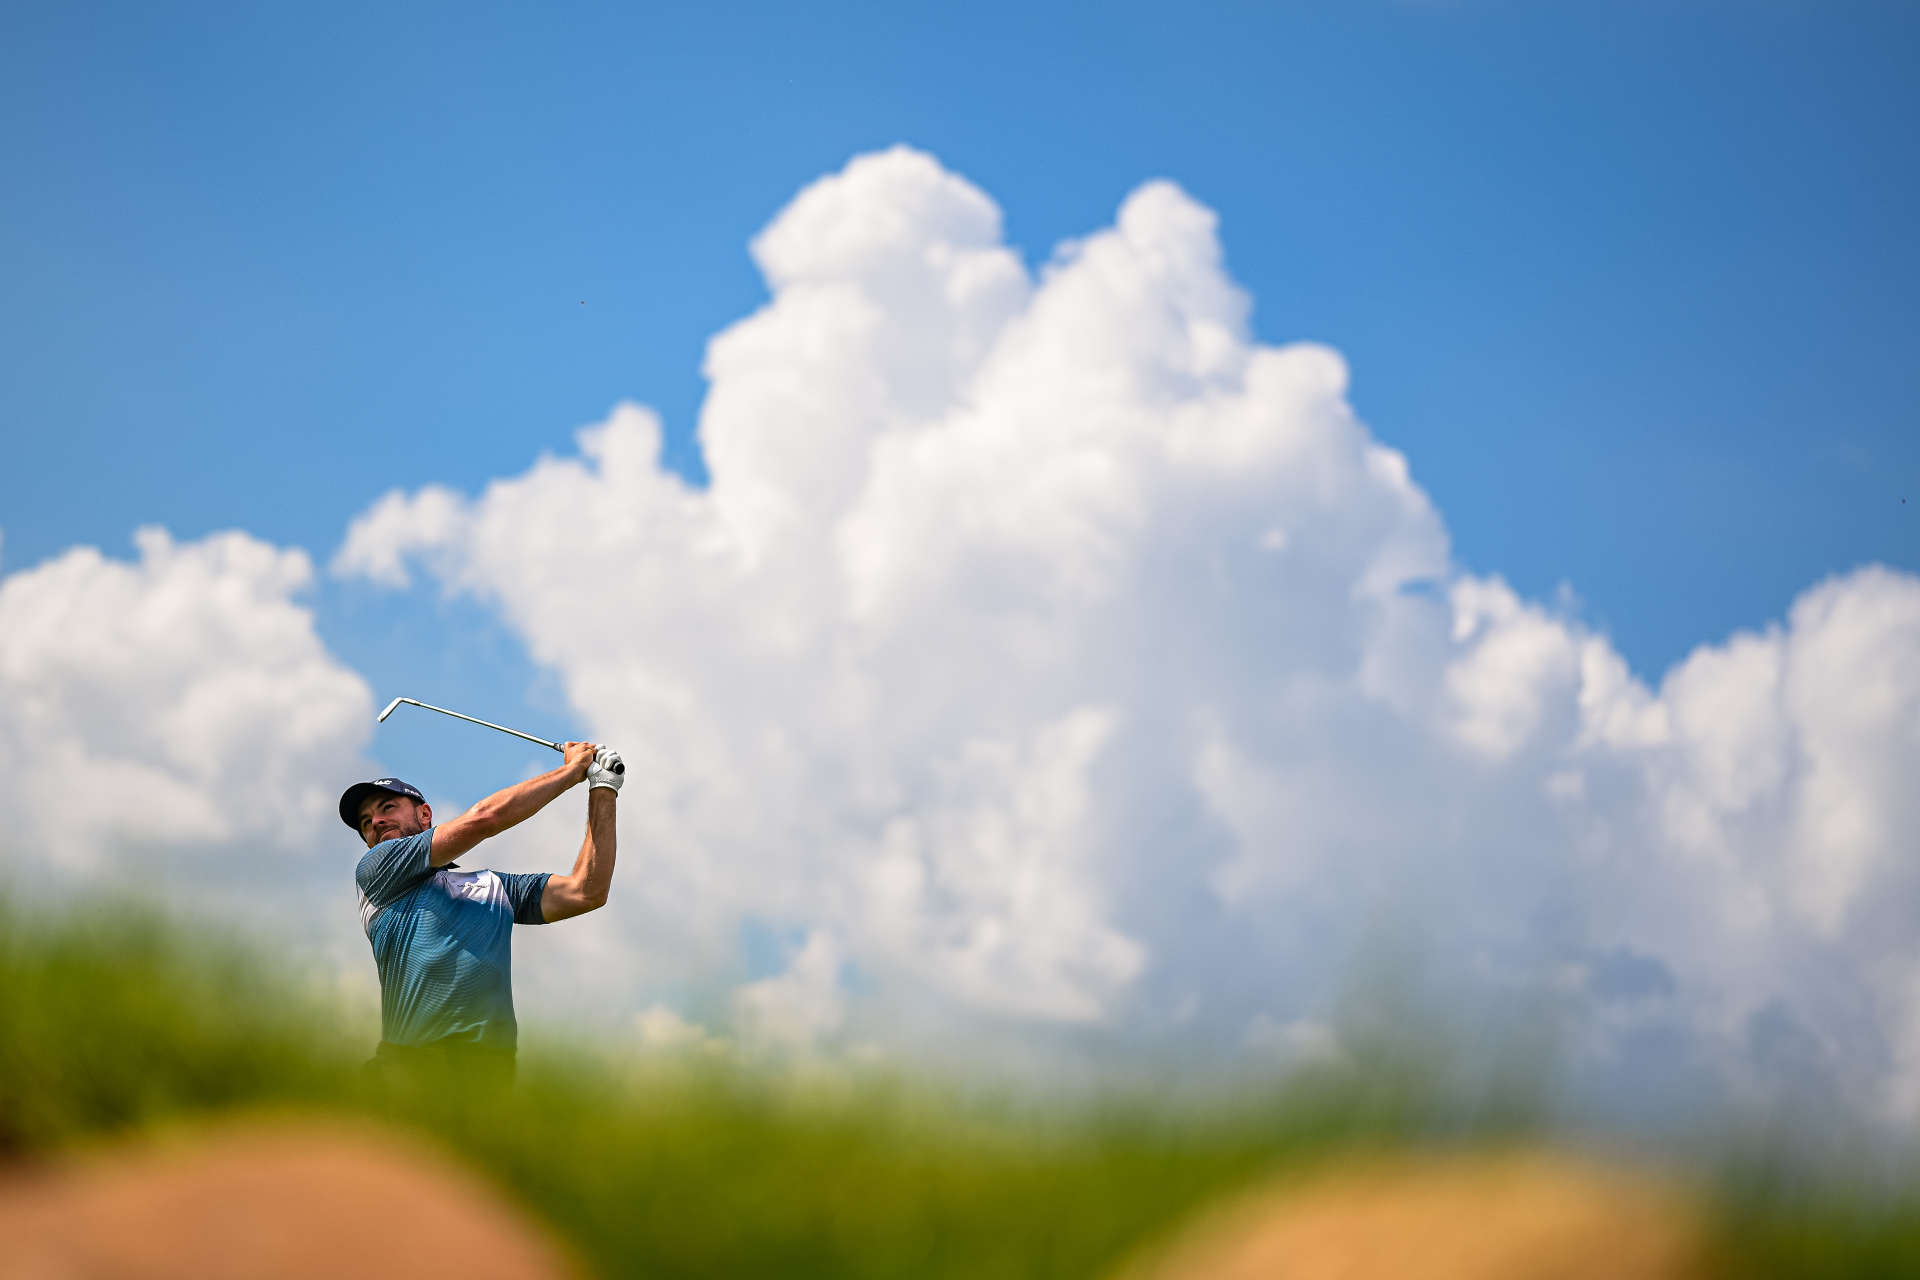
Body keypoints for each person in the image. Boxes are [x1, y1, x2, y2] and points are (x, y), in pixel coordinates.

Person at [338, 740, 622, 1088]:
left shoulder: (491, 887)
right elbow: (484, 819)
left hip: (489, 1073)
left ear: (425, 814)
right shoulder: (377, 868)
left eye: (387, 808)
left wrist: (603, 788)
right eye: (366, 822)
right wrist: (571, 771)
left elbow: (586, 891)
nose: (376, 822)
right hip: (412, 1064)